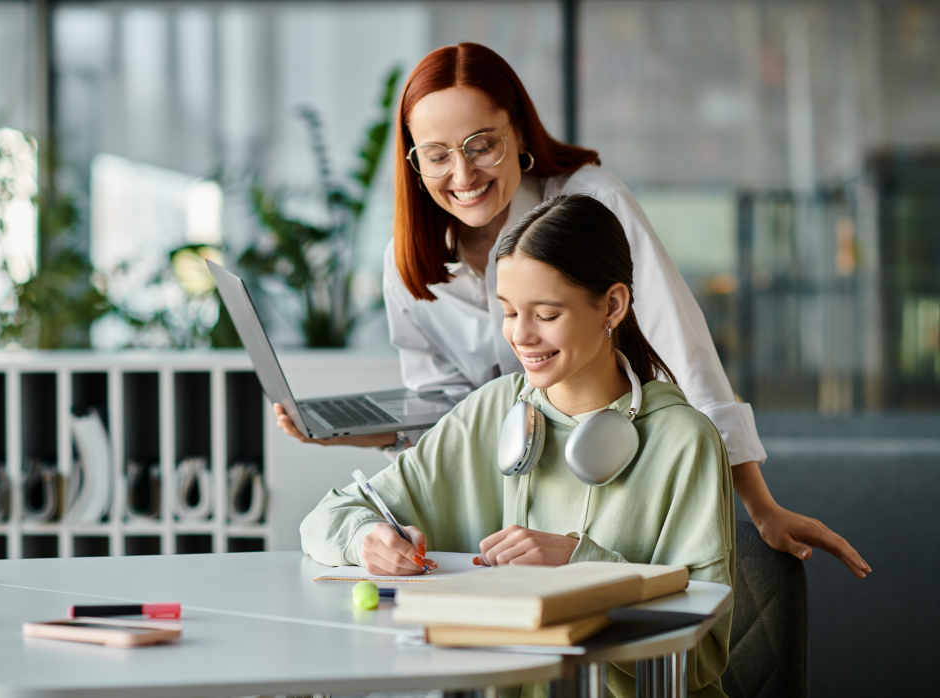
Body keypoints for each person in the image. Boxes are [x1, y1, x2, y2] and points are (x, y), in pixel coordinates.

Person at [278, 42, 869, 579]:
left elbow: (683, 351)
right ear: (414, 162)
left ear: (520, 133)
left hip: (618, 463)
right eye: (436, 156)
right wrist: (349, 440)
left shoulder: (589, 205)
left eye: (481, 144)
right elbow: (446, 414)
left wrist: (759, 506)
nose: (462, 174)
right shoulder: (409, 261)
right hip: (508, 491)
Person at [302, 195, 735, 697]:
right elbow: (326, 517)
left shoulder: (685, 442)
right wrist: (366, 537)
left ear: (612, 305)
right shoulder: (491, 412)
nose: (521, 336)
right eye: (508, 312)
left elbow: (699, 657)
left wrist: (579, 565)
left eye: (546, 314)